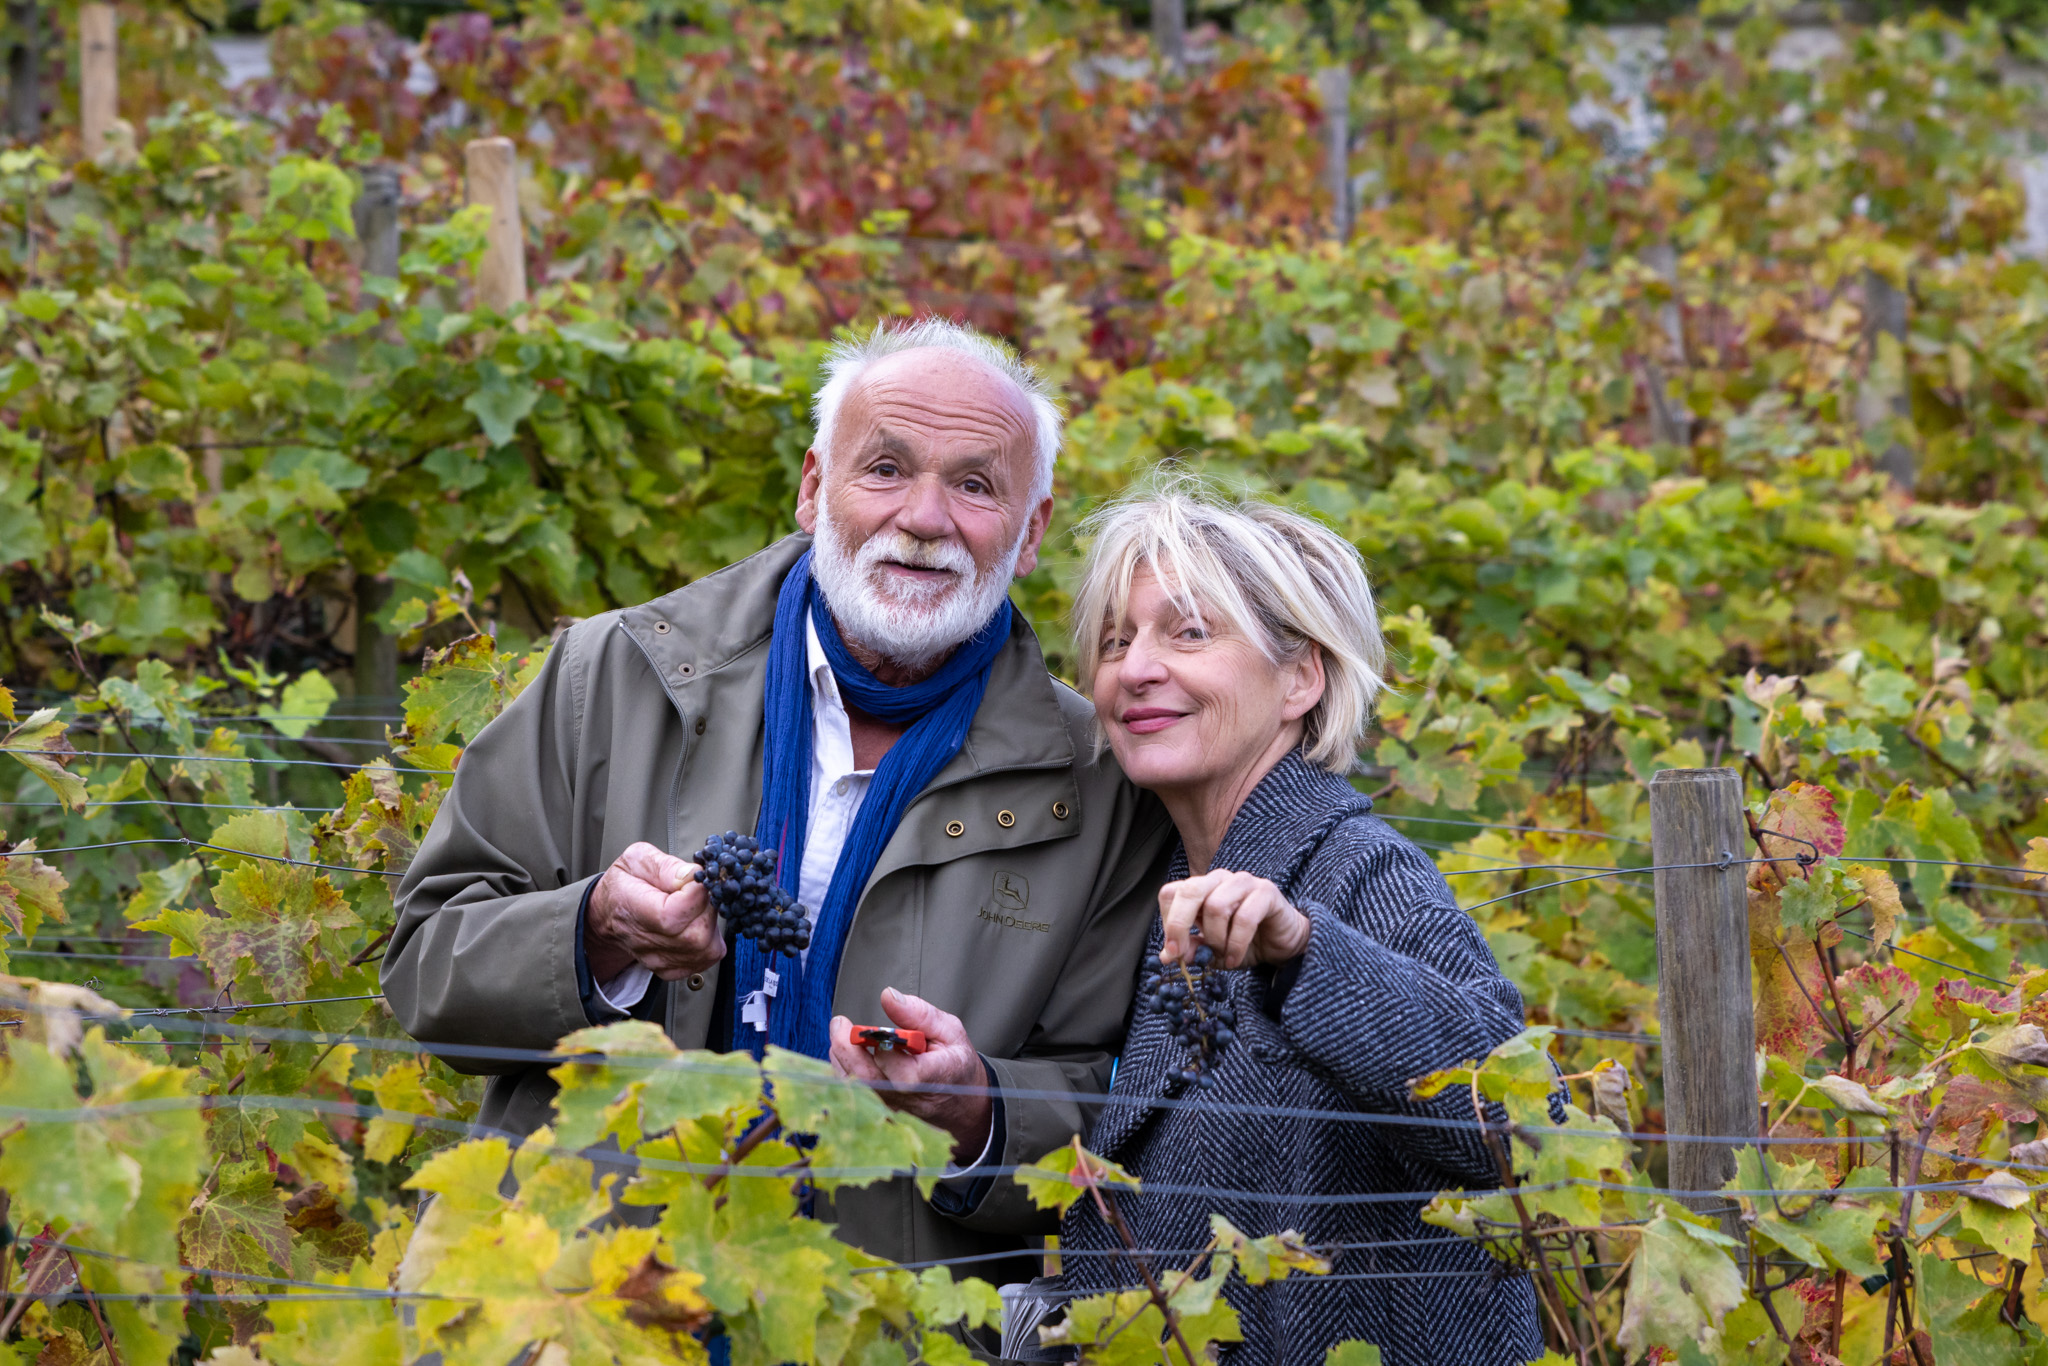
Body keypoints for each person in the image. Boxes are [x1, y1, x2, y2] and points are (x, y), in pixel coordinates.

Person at [382, 318, 1174, 1278]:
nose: (924, 518)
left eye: (974, 485)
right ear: (812, 488)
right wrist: (595, 935)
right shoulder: (615, 675)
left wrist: (975, 1107)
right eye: (884, 468)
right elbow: (427, 963)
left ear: (1031, 531)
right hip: (590, 1300)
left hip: (886, 1322)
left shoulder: (1096, 779)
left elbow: (1118, 1095)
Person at [1053, 484, 1542, 1366]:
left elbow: (1530, 1129)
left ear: (1300, 678)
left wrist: (1307, 950)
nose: (1134, 668)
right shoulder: (1151, 884)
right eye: (1116, 641)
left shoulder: (1357, 868)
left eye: (1189, 632)